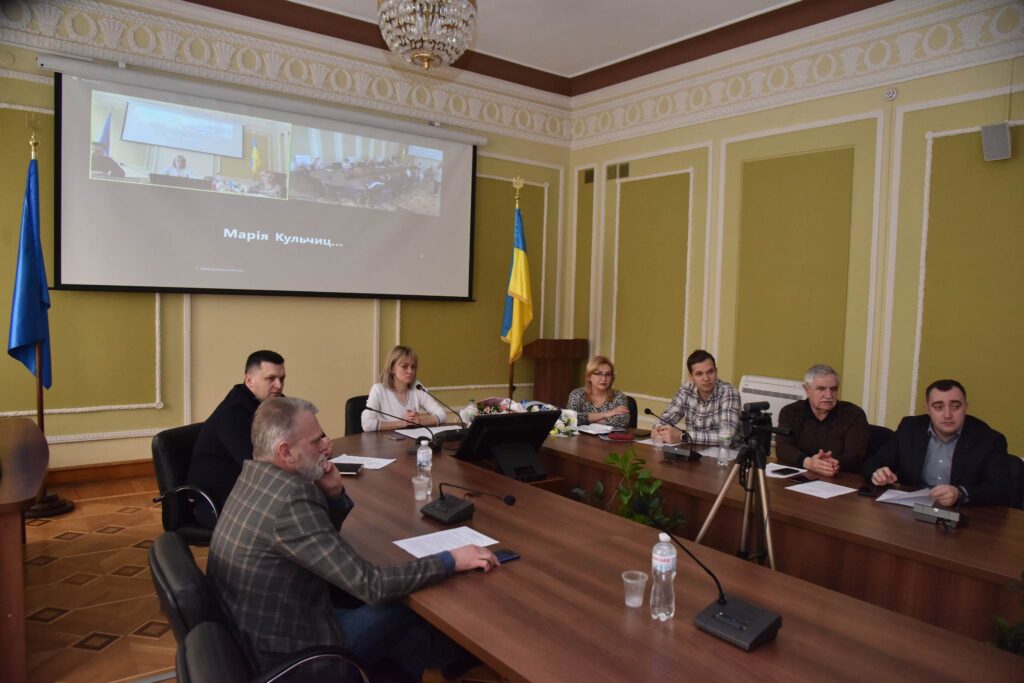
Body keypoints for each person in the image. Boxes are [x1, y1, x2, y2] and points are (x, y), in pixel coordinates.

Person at [208, 397, 497, 680]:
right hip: (299, 656)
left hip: (262, 631)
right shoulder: (290, 498)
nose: (326, 445)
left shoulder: (255, 477)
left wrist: (334, 496)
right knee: (410, 608)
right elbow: (372, 585)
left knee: (413, 638)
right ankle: (469, 649)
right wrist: (451, 559)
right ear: (286, 452)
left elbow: (312, 545)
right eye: (316, 441)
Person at [863, 379, 1014, 507]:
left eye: (955, 406)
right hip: (912, 509)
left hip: (962, 515)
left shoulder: (989, 439)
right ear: (928, 409)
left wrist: (960, 493)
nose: (948, 414)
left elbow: (1000, 489)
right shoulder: (910, 428)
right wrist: (878, 473)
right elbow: (874, 462)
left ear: (966, 407)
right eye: (938, 407)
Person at [186, 350, 286, 526]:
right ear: (249, 381)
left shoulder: (273, 401)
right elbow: (256, 465)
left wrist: (319, 440)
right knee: (290, 515)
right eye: (271, 379)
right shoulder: (233, 413)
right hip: (216, 502)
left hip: (247, 491)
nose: (278, 385)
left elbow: (304, 426)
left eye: (282, 378)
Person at [775, 364, 869, 477]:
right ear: (807, 390)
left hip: (840, 478)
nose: (829, 395)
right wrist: (808, 462)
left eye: (833, 389)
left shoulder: (853, 414)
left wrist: (830, 463)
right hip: (801, 475)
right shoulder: (790, 412)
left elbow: (856, 456)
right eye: (821, 389)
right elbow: (782, 448)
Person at [651, 349, 740, 446]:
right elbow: (665, 419)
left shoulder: (729, 392)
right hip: (694, 450)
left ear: (716, 371)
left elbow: (727, 436)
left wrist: (684, 436)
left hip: (727, 452)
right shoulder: (686, 390)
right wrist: (658, 429)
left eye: (710, 372)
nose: (706, 378)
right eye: (699, 374)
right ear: (691, 377)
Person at [361, 345, 447, 432]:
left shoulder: (417, 387)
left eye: (413, 367)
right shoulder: (378, 390)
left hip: (410, 438)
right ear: (392, 368)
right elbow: (367, 424)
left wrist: (419, 421)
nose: (410, 371)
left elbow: (442, 415)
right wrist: (402, 423)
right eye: (404, 366)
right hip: (384, 439)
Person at [566, 355, 631, 427]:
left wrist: (590, 420)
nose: (604, 379)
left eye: (608, 374)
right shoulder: (577, 394)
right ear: (589, 376)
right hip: (580, 434)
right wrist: (606, 414)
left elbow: (622, 421)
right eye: (598, 373)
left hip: (610, 434)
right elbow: (570, 419)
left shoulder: (619, 396)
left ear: (612, 378)